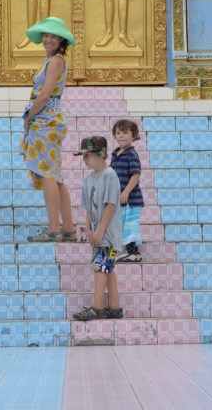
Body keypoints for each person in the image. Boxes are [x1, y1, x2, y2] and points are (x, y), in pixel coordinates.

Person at [21, 16, 76, 242]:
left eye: (53, 36)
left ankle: (54, 228)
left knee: (47, 174)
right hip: (47, 119)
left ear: (61, 40)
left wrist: (29, 116)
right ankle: (69, 228)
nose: (48, 40)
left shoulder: (56, 62)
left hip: (45, 119)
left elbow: (44, 94)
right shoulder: (51, 60)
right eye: (46, 35)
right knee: (54, 175)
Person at [73, 136, 123, 321]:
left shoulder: (109, 175)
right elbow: (87, 207)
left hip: (107, 232)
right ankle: (115, 307)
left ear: (99, 155)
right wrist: (88, 229)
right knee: (107, 268)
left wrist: (100, 230)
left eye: (87, 156)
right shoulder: (88, 179)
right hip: (96, 232)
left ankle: (97, 307)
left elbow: (110, 205)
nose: (84, 160)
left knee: (100, 267)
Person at [110, 119, 144, 263]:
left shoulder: (131, 154)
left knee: (130, 225)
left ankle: (133, 252)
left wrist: (126, 192)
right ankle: (119, 251)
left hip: (130, 199)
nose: (121, 136)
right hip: (119, 200)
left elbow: (136, 174)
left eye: (125, 133)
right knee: (120, 224)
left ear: (134, 135)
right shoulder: (115, 154)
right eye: (118, 133)